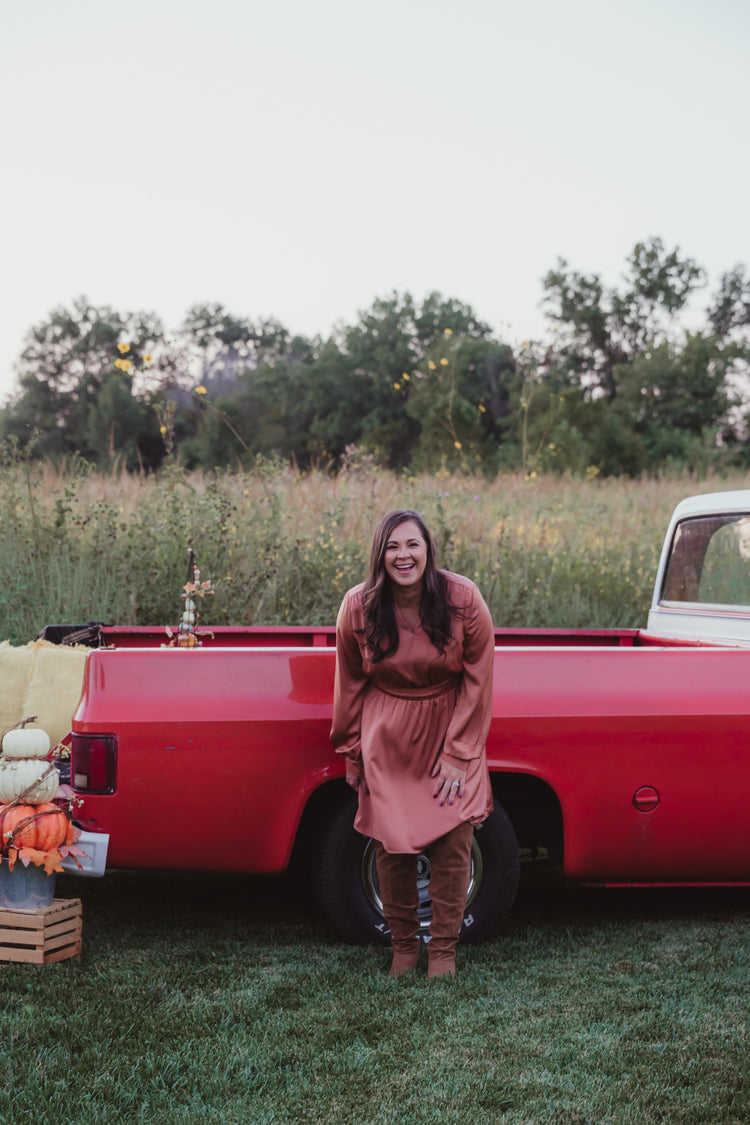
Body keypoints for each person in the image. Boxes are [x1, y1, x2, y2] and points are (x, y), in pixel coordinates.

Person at [330, 509, 495, 978]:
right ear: (380, 555)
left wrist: (460, 753)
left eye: (412, 545)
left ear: (428, 550)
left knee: (455, 835)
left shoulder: (462, 598)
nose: (403, 556)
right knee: (392, 844)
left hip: (451, 723)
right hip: (388, 732)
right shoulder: (358, 606)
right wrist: (351, 750)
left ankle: (442, 953)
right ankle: (404, 948)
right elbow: (349, 682)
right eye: (392, 546)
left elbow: (480, 679)